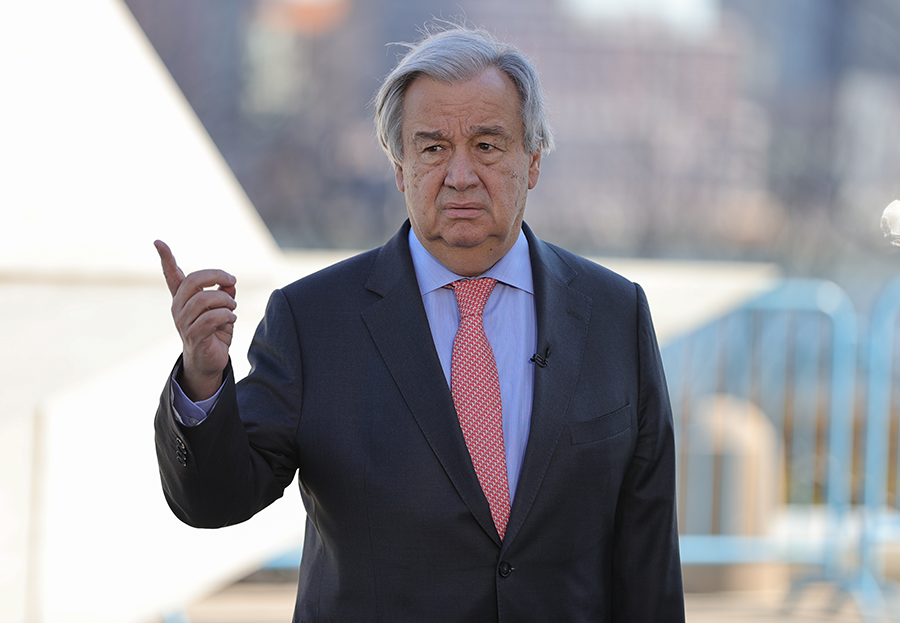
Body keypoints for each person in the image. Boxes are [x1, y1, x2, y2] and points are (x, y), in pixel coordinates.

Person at [154, 25, 685, 622]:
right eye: (432, 148)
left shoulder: (615, 315)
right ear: (400, 166)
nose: (460, 175)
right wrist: (202, 380)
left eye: (487, 145)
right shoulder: (313, 320)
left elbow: (649, 559)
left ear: (533, 160)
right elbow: (216, 499)